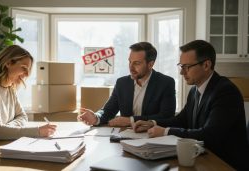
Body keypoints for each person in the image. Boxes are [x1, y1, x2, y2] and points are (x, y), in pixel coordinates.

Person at [134, 40, 249, 170]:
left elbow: (209, 135)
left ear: (206, 65)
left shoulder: (225, 92)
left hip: (225, 163)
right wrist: (153, 123)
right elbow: (181, 120)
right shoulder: (195, 90)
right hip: (202, 156)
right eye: (181, 66)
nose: (182, 72)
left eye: (186, 67)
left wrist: (165, 131)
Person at [78, 42, 176, 127]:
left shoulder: (166, 83)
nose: (131, 67)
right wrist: (96, 117)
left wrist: (131, 120)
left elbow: (166, 116)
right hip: (125, 137)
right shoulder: (122, 83)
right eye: (130, 62)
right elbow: (108, 111)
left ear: (150, 64)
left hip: (154, 137)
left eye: (137, 63)